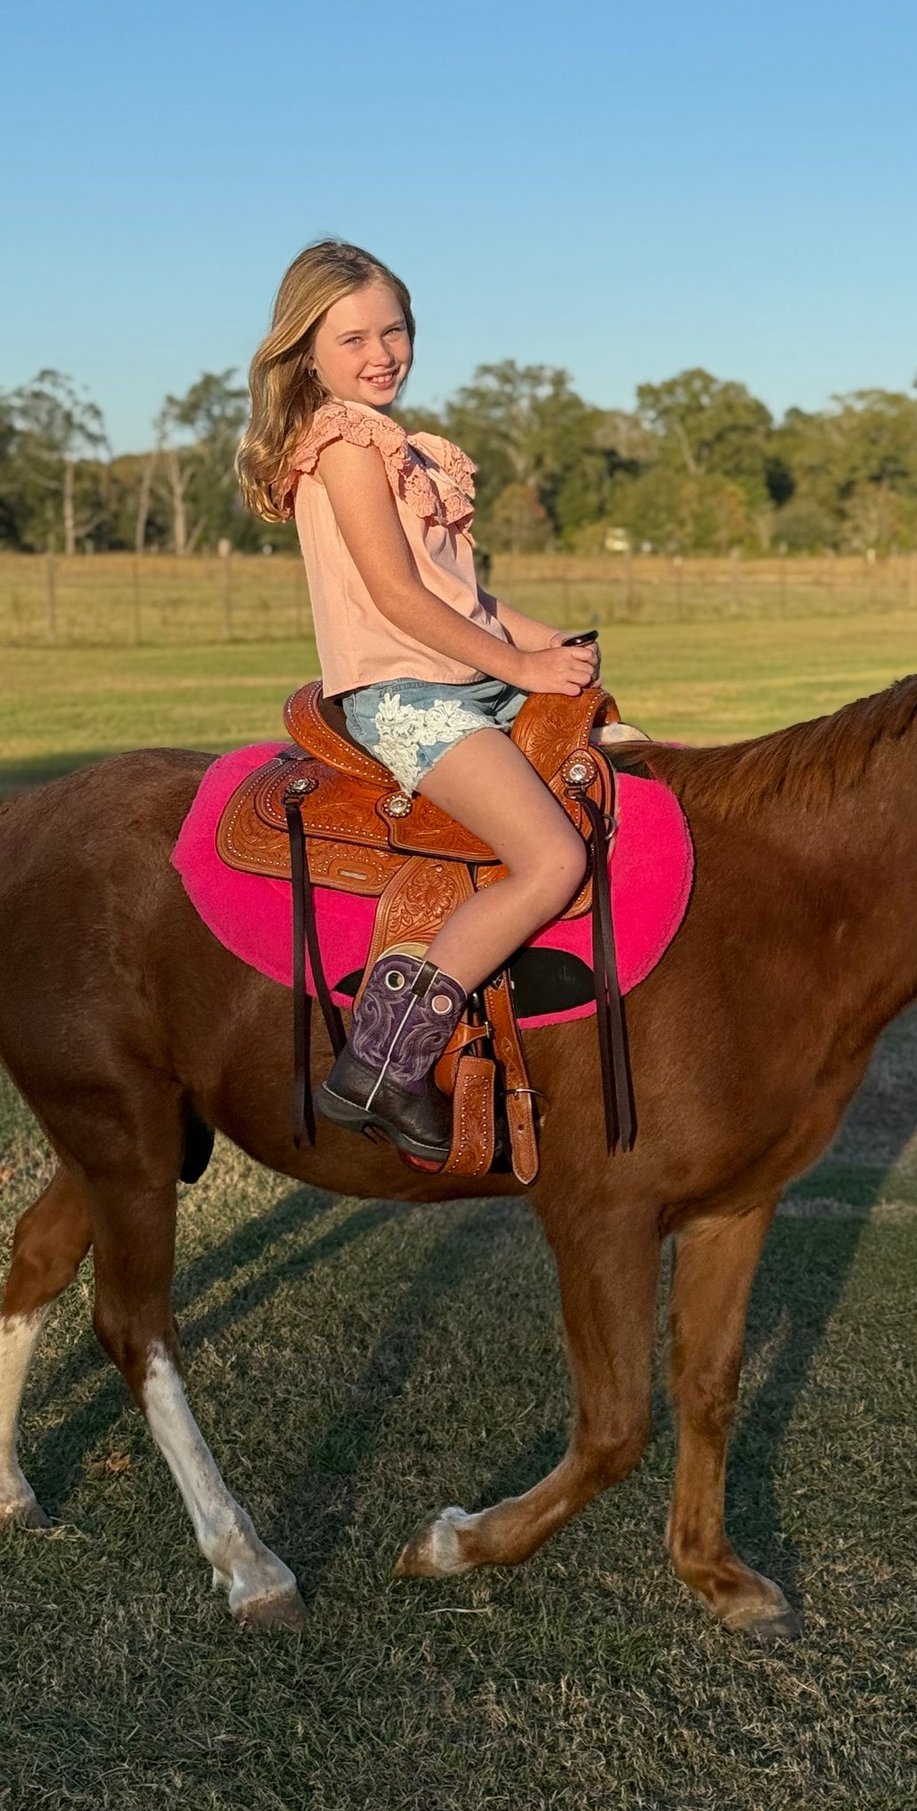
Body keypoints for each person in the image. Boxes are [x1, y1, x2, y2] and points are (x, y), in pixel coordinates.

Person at [237, 240, 598, 1164]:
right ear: (305, 352)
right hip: (403, 695)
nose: (381, 353)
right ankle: (382, 1061)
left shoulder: (406, 448)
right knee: (551, 859)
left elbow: (462, 600)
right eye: (353, 338)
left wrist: (548, 644)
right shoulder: (345, 443)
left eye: (393, 330)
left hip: (466, 673)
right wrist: (520, 670)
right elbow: (397, 598)